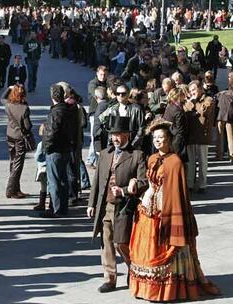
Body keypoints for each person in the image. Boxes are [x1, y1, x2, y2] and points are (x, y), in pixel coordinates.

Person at [129, 119, 221, 302]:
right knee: (146, 249)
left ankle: (168, 290)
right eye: (155, 137)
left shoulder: (175, 161)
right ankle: (146, 288)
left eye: (161, 137)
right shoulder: (152, 158)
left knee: (168, 247)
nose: (157, 140)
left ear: (169, 139)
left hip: (166, 211)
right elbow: (149, 183)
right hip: (148, 209)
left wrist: (169, 214)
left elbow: (177, 193)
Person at [87, 116, 147, 293]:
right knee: (106, 243)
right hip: (105, 206)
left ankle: (133, 271)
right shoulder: (105, 154)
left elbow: (144, 182)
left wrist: (125, 190)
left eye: (119, 134)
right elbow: (97, 181)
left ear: (127, 135)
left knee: (122, 243)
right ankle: (110, 278)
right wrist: (91, 204)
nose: (115, 138)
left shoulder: (137, 155)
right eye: (113, 134)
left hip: (124, 207)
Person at [41, 84, 73, 218]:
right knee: (63, 179)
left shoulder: (56, 112)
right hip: (65, 148)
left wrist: (46, 147)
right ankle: (62, 206)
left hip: (55, 150)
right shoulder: (67, 110)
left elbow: (51, 132)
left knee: (54, 181)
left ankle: (56, 208)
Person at [0, 84, 32, 199]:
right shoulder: (24, 108)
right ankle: (10, 189)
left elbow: (2, 98)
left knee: (13, 161)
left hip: (10, 135)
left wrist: (9, 88)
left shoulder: (8, 105)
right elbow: (27, 126)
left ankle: (16, 189)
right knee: (18, 164)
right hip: (19, 137)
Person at [185, 81, 215, 193]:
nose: (192, 92)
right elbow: (185, 110)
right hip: (191, 135)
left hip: (203, 136)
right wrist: (192, 106)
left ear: (200, 89)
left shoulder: (208, 99)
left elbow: (204, 111)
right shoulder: (190, 101)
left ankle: (202, 185)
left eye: (194, 89)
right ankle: (190, 184)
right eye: (191, 90)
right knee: (190, 162)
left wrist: (192, 105)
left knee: (203, 162)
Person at [163, 87, 189, 162]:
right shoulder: (178, 111)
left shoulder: (169, 107)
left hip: (169, 140)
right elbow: (180, 131)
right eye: (183, 95)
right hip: (177, 143)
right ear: (178, 96)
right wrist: (178, 148)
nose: (185, 97)